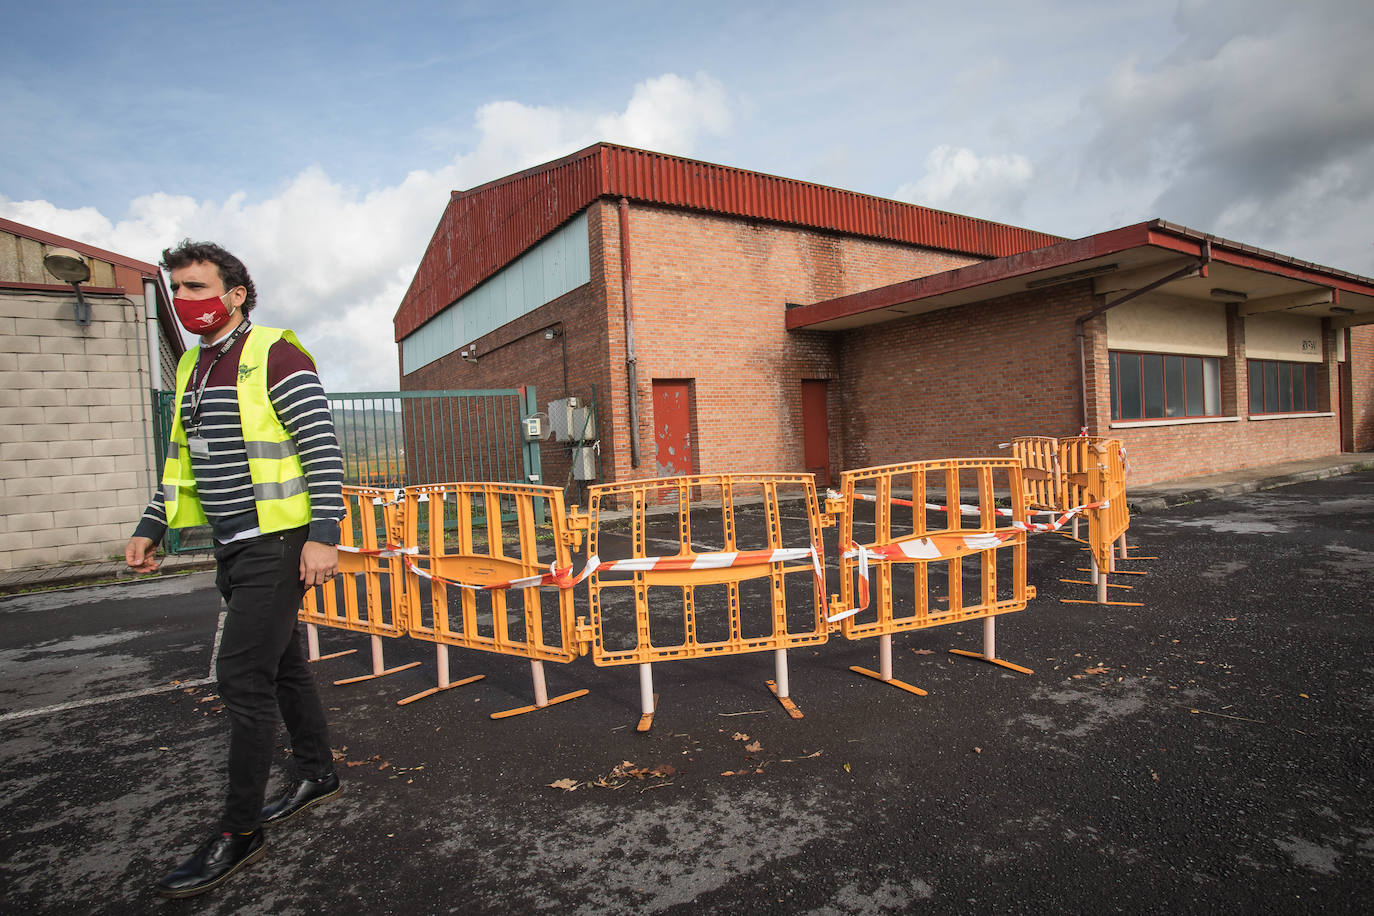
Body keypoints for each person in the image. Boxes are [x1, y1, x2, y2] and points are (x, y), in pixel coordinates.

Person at [126, 240, 347, 899]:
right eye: (178, 290)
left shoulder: (274, 352)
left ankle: (240, 829)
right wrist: (152, 523)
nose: (185, 301)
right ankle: (319, 773)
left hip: (278, 543)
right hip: (232, 544)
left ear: (235, 294)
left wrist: (325, 535)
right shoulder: (194, 364)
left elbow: (320, 443)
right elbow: (178, 464)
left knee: (241, 676)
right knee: (283, 665)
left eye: (196, 288)